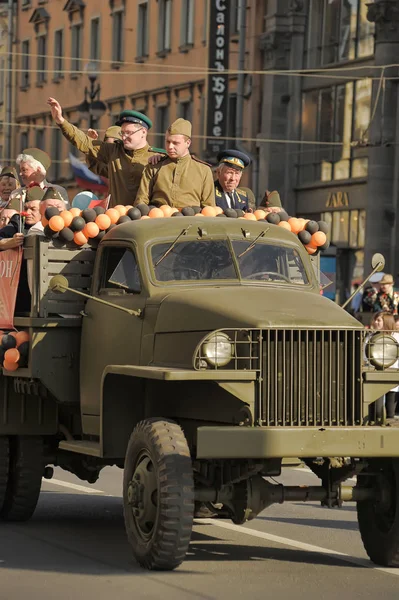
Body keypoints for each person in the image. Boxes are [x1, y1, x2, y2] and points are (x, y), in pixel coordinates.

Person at [47, 97, 163, 206]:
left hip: (144, 220)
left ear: (143, 132)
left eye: (129, 132)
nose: (124, 137)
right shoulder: (114, 151)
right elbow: (84, 142)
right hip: (116, 219)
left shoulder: (158, 158)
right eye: (122, 133)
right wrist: (61, 121)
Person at [135, 118, 215, 208]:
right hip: (159, 219)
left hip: (190, 220)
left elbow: (209, 207)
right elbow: (141, 201)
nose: (170, 147)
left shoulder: (204, 170)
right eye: (167, 141)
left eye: (175, 143)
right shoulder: (154, 166)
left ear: (188, 143)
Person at [369, 311, 399, 419]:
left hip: (393, 377)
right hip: (374, 378)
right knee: (377, 411)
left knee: (390, 412)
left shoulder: (396, 337)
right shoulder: (370, 337)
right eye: (375, 320)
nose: (375, 322)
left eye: (379, 320)